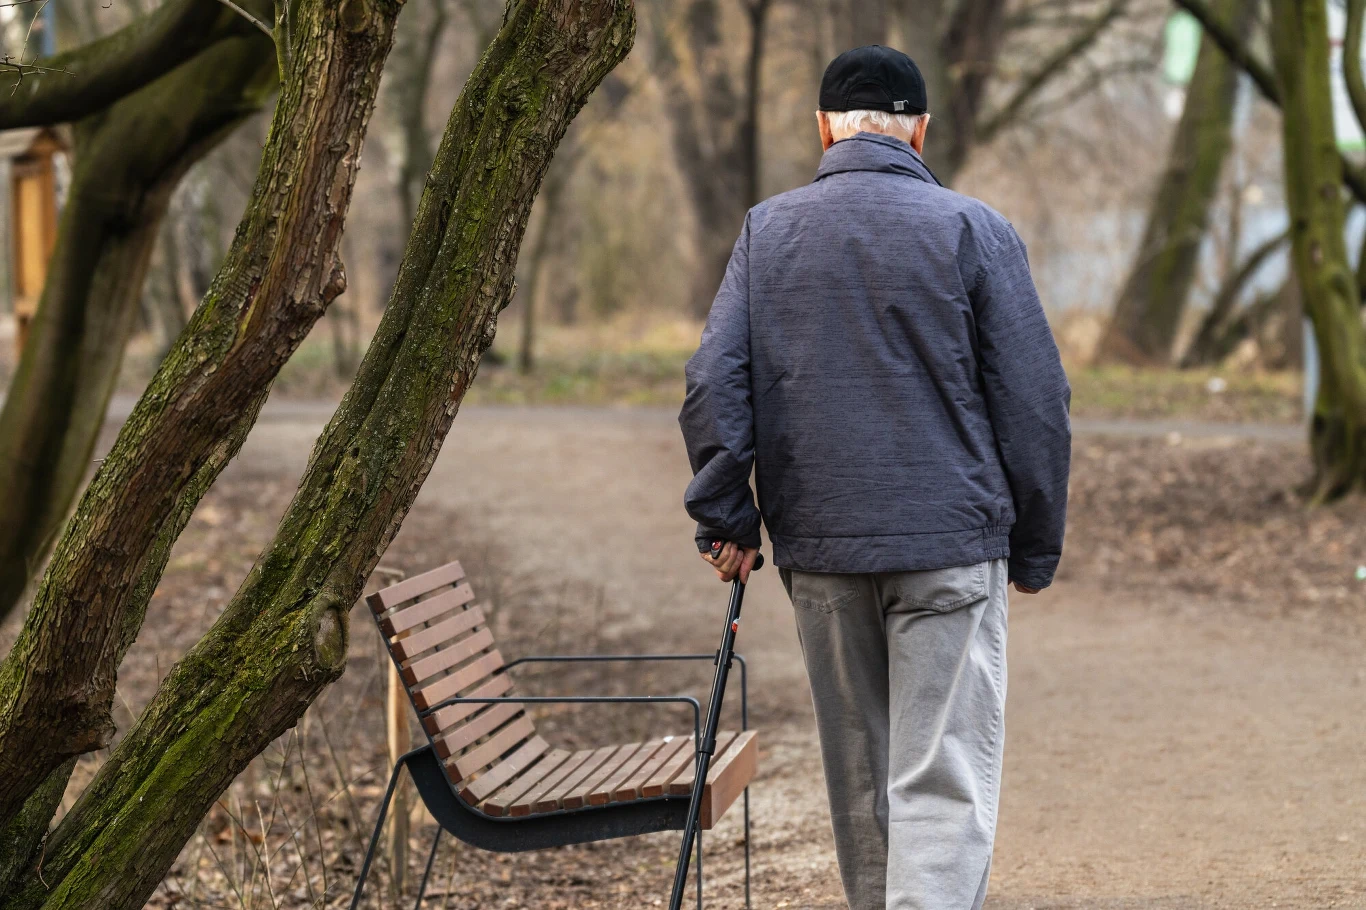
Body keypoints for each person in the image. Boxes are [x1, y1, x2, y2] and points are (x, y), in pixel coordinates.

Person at [677, 44, 1072, 910]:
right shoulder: (975, 230)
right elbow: (1037, 402)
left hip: (821, 547)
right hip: (950, 546)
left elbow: (714, 381)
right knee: (939, 773)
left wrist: (727, 517)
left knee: (860, 775)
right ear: (919, 132)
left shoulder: (766, 231)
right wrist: (1034, 546)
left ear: (823, 129)